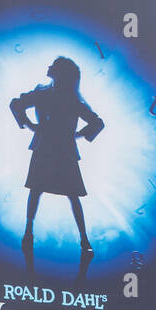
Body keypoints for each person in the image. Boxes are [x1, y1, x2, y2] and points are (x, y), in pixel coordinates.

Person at [10, 57, 104, 277]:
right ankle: (30, 233)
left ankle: (82, 239)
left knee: (64, 194)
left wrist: (78, 134)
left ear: (61, 73)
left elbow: (97, 122)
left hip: (60, 150)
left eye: (54, 65)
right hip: (50, 148)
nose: (49, 66)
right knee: (40, 190)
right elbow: (16, 103)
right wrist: (29, 124)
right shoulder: (45, 94)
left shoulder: (70, 100)